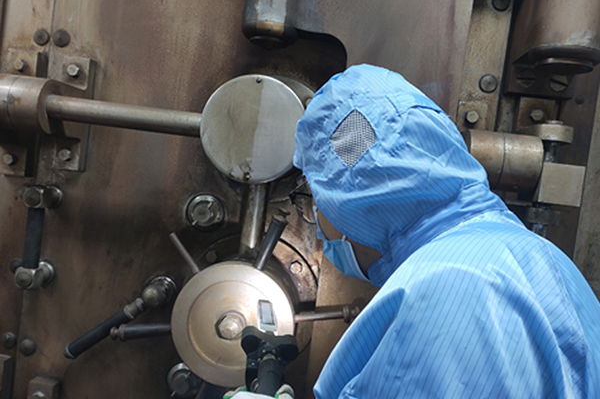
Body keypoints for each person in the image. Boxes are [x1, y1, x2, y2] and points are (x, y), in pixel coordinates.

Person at [232, 64, 600, 398]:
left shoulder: (445, 289)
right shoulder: (534, 253)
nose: (317, 225)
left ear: (353, 199)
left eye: (313, 201)